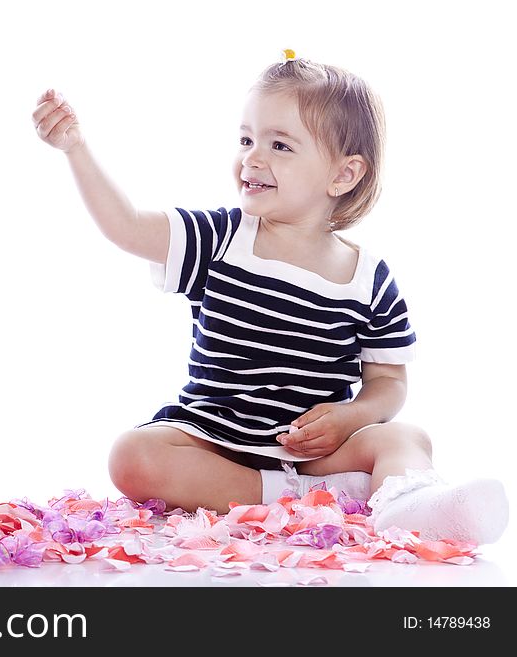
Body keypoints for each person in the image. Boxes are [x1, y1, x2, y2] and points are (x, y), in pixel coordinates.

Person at [32, 52, 508, 544]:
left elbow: (388, 380)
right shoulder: (219, 238)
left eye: (279, 145)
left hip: (315, 453)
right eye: (246, 139)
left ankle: (416, 508)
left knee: (406, 438)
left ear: (343, 176)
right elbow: (127, 227)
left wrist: (355, 415)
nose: (252, 158)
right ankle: (301, 500)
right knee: (131, 455)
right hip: (214, 440)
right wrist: (76, 149)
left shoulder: (367, 279)